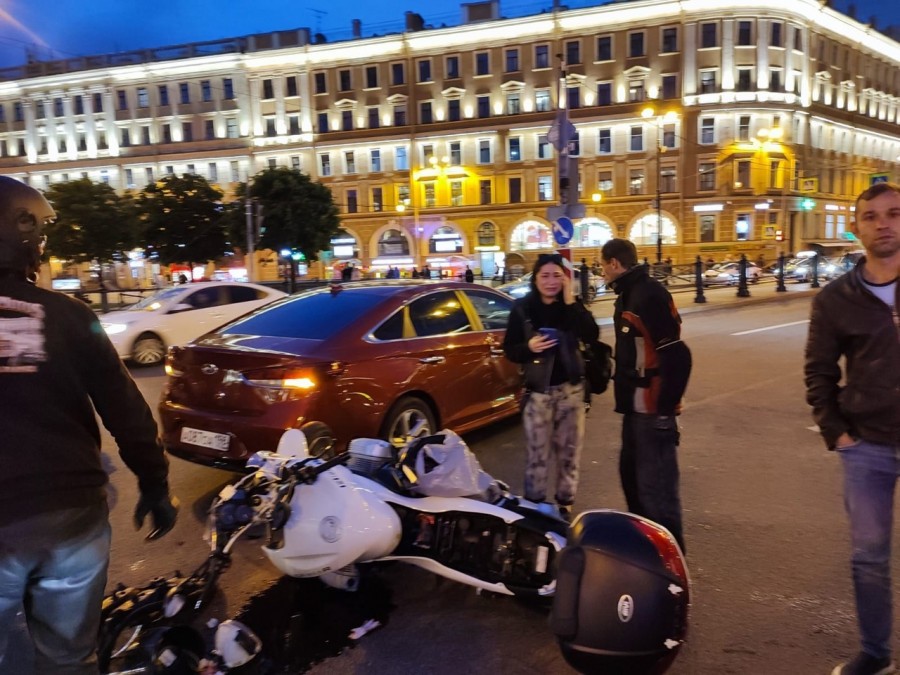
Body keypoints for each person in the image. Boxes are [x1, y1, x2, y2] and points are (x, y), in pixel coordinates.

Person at [0, 176, 178, 674]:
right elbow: (128, 414)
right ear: (24, 234)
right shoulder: (71, 317)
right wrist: (155, 485)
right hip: (70, 516)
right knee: (68, 659)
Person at [804, 182, 900, 675]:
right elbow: (819, 371)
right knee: (869, 558)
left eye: (894, 214)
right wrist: (836, 431)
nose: (883, 224)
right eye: (871, 216)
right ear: (856, 227)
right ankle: (875, 652)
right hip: (868, 446)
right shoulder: (836, 299)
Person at [599, 238, 692, 551]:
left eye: (602, 265)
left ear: (614, 263)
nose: (601, 272)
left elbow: (677, 355)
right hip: (634, 409)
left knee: (658, 493)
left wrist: (665, 412)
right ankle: (647, 555)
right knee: (633, 482)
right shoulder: (629, 294)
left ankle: (671, 562)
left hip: (652, 411)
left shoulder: (647, 294)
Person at [502, 253, 599, 521]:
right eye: (544, 275)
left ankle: (565, 505)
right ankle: (534, 506)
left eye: (557, 275)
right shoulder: (522, 308)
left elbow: (592, 334)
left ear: (565, 279)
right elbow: (510, 349)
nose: (551, 281)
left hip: (572, 391)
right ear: (535, 279)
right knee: (537, 455)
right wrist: (528, 347)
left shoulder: (571, 306)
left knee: (569, 453)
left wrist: (571, 301)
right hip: (538, 393)